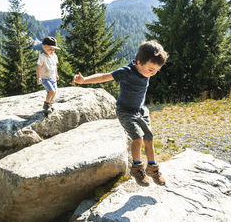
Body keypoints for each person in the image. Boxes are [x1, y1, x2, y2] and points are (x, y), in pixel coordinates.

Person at [72, 40, 169, 186]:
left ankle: (152, 169)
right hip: (125, 111)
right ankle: (137, 169)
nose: (153, 73)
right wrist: (84, 80)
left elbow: (149, 72)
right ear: (139, 62)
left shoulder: (146, 70)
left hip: (140, 110)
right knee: (138, 138)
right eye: (150, 70)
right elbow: (105, 76)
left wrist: (150, 71)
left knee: (149, 138)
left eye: (156, 70)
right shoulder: (126, 72)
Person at [37, 36, 60, 114]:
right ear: (44, 47)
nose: (52, 51)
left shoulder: (54, 56)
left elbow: (55, 66)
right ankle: (46, 106)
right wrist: (38, 77)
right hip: (45, 78)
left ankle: (50, 104)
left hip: (53, 77)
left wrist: (56, 74)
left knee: (54, 92)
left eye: (54, 49)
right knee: (51, 91)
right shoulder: (42, 57)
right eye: (50, 49)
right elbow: (38, 68)